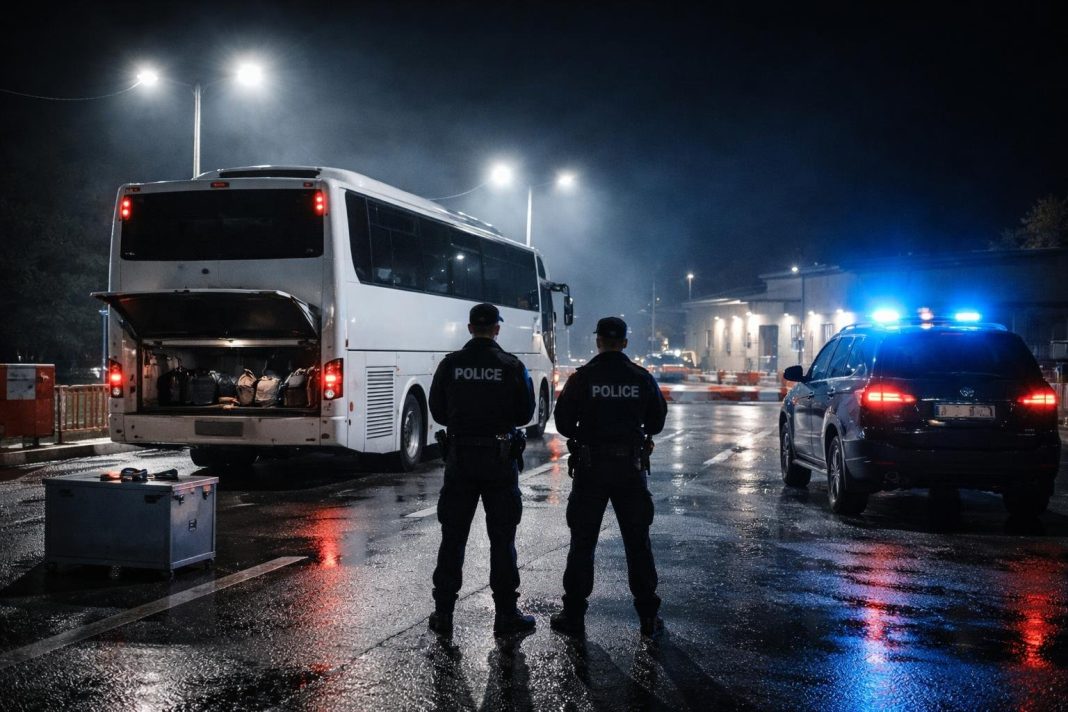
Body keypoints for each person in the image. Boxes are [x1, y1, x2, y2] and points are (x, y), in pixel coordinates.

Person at [550, 316, 668, 638]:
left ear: (598, 341)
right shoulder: (641, 378)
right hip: (630, 469)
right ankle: (648, 617)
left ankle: (574, 615)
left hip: (591, 469)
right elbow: (656, 423)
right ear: (624, 343)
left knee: (583, 542)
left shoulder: (583, 378)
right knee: (637, 543)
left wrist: (588, 429)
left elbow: (563, 423)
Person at [428, 302, 537, 637]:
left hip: (460, 459)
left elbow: (438, 411)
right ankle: (506, 615)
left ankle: (443, 613)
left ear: (470, 328)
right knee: (502, 539)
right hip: (499, 460)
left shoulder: (450, 364)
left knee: (453, 537)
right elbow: (525, 414)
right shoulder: (512, 366)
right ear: (497, 329)